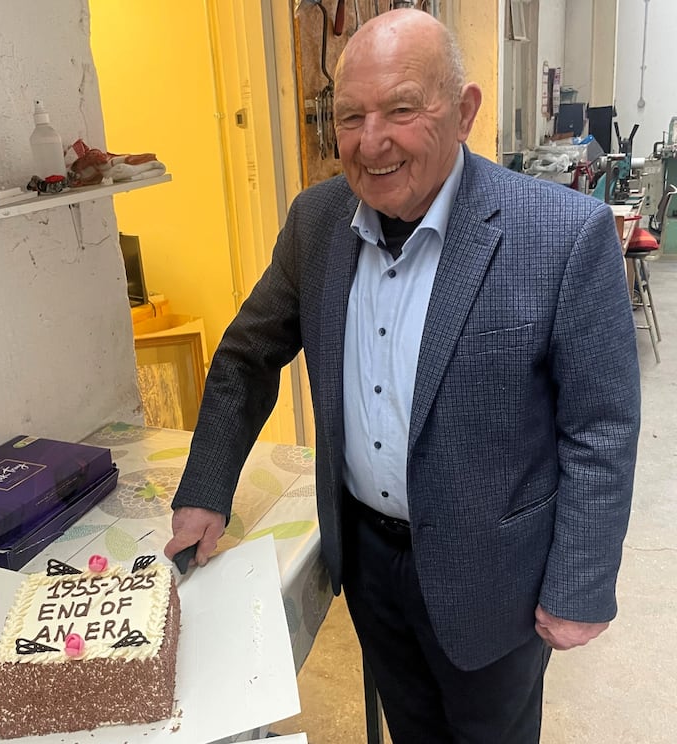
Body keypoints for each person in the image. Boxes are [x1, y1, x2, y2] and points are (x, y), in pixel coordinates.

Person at [165, 8, 640, 743]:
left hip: (495, 577)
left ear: (465, 110)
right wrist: (205, 489)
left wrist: (580, 580)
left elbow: (601, 425)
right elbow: (245, 356)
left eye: (402, 109)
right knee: (412, 728)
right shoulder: (316, 223)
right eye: (350, 115)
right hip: (371, 561)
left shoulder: (562, 236)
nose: (371, 140)